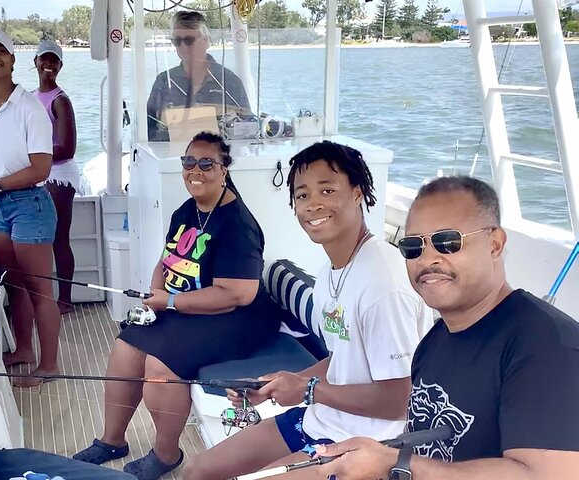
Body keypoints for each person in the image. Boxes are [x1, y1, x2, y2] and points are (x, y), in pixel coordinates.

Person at [182, 141, 433, 480]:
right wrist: (284, 383)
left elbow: (400, 400)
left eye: (327, 190)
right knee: (196, 471)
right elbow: (344, 358)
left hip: (372, 443)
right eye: (302, 196)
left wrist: (308, 391)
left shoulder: (384, 286)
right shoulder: (330, 273)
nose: (313, 204)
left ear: (358, 192)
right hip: (322, 417)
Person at [313, 176, 579, 480]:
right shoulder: (434, 342)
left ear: (495, 244)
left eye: (448, 242)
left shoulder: (548, 346)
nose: (428, 259)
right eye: (413, 247)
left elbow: (547, 476)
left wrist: (393, 464)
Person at [71, 132, 280, 479]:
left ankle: (166, 454)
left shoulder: (237, 223)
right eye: (188, 162)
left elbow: (236, 294)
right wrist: (156, 297)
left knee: (160, 367)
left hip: (239, 318)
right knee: (126, 346)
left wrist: (169, 301)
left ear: (224, 169)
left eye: (206, 163)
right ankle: (112, 440)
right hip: (188, 309)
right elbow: (167, 261)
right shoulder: (188, 210)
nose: (195, 170)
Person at [0, 30, 61, 387]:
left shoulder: (30, 107)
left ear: (12, 59)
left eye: (0, 51)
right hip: (1, 207)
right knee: (15, 285)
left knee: (40, 289)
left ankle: (49, 365)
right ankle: (23, 351)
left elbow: (41, 168)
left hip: (31, 204)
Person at [147, 10, 251, 141]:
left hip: (217, 156)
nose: (183, 46)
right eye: (177, 41)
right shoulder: (164, 81)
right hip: (172, 155)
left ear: (206, 41)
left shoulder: (229, 80)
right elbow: (148, 128)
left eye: (189, 40)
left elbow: (247, 126)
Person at [33, 39, 79, 315]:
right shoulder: (29, 97)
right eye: (44, 59)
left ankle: (65, 300)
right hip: (38, 173)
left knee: (59, 238)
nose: (49, 64)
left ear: (60, 65)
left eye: (54, 60)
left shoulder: (60, 101)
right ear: (35, 62)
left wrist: (34, 155)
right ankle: (41, 298)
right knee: (39, 239)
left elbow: (66, 147)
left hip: (59, 175)